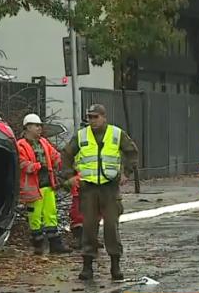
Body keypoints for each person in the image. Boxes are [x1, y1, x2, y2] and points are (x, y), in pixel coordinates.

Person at [61, 104, 139, 281]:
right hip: (88, 188)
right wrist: (69, 176)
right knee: (88, 228)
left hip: (109, 188)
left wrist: (126, 173)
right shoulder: (82, 135)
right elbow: (66, 154)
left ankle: (115, 265)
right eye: (90, 117)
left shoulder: (116, 134)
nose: (92, 120)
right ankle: (87, 266)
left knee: (111, 227)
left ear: (104, 117)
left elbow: (132, 152)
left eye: (96, 117)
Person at [17, 113, 71, 255]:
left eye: (40, 126)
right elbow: (22, 164)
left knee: (50, 214)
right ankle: (38, 245)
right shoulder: (20, 145)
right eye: (36, 126)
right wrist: (38, 166)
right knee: (35, 217)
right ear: (28, 127)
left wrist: (62, 161)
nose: (39, 128)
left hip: (47, 184)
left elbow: (55, 156)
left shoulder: (44, 142)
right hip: (32, 187)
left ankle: (55, 245)